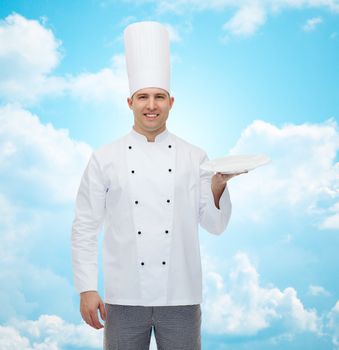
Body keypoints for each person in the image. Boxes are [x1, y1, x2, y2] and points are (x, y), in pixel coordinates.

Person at [71, 21, 245, 350]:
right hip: (123, 295)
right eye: (143, 97)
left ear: (171, 102)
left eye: (159, 97)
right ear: (130, 102)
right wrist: (86, 288)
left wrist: (219, 184)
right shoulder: (104, 157)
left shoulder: (196, 156)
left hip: (181, 293)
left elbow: (214, 225)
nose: (151, 105)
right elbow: (84, 226)